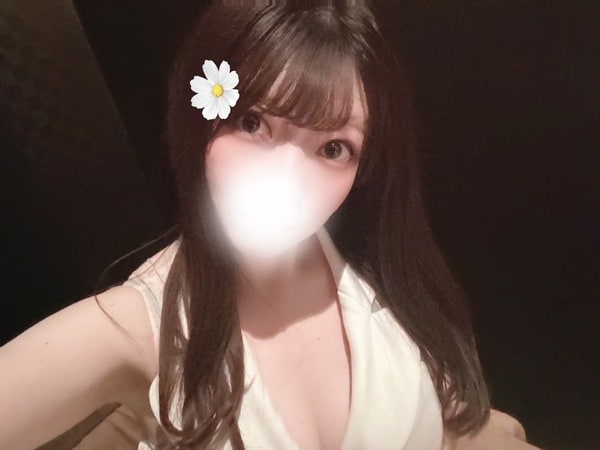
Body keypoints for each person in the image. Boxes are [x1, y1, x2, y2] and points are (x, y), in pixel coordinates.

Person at [0, 3, 541, 449]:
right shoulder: (141, 327)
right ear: (203, 116)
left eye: (333, 148)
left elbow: (458, 417)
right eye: (253, 122)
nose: (286, 179)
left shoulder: (382, 268)